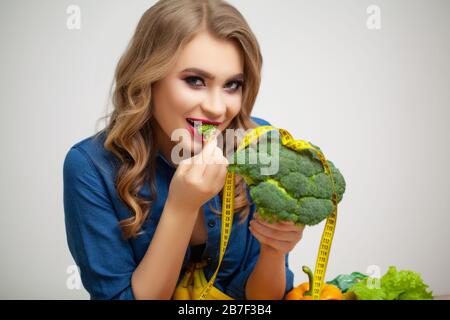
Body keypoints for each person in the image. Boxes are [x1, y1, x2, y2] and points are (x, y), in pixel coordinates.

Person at [63, 0, 305, 300]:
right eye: (195, 81)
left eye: (232, 85)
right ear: (148, 78)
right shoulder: (90, 167)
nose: (217, 108)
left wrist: (273, 251)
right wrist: (181, 207)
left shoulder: (255, 145)